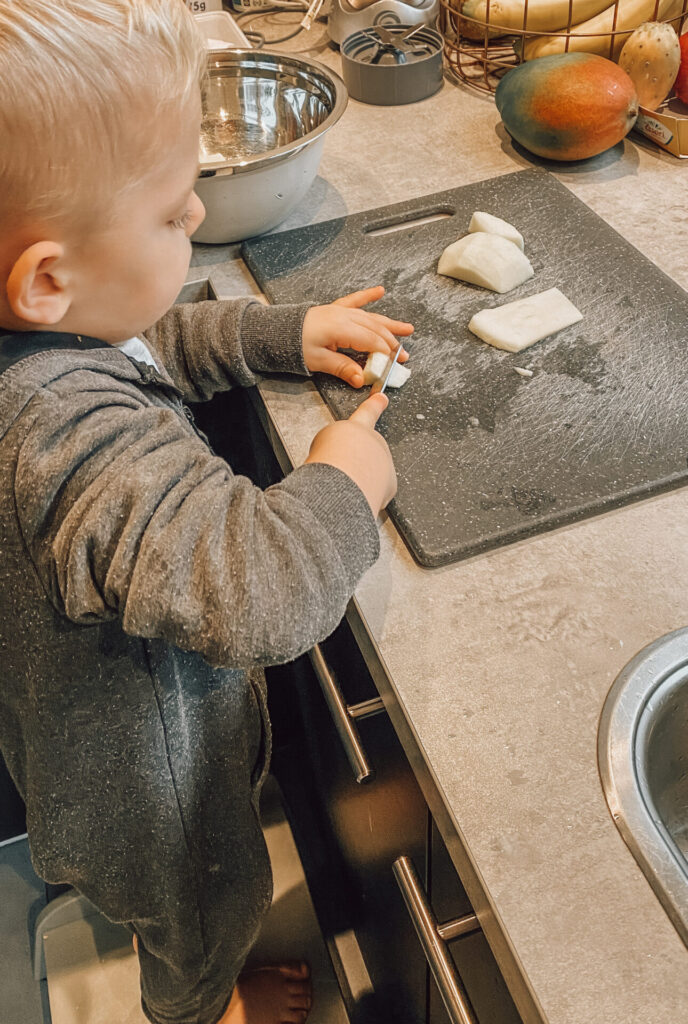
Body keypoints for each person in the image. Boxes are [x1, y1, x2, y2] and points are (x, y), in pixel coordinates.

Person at [0, 2, 413, 1023]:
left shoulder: (45, 345)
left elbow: (140, 345)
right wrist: (345, 476)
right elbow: (259, 591)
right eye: (176, 211)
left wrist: (276, 332)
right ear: (48, 277)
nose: (196, 225)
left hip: (65, 744)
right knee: (205, 911)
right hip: (149, 795)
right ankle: (199, 1008)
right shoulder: (58, 431)